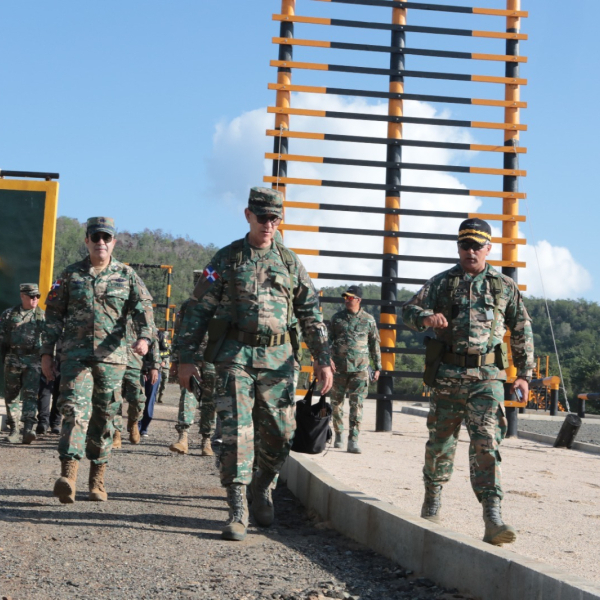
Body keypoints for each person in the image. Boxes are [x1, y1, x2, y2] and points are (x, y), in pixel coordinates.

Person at [178, 187, 333, 542]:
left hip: (279, 361)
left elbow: (311, 314)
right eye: (262, 217)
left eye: (275, 219)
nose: (268, 224)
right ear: (248, 215)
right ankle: (237, 509)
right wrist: (186, 359)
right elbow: (197, 310)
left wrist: (322, 360)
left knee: (280, 434)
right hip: (235, 357)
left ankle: (262, 487)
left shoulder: (290, 263)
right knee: (236, 433)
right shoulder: (227, 259)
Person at [402, 218, 534, 546]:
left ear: (489, 248)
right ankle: (432, 500)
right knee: (440, 442)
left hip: (487, 378)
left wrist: (524, 374)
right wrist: (425, 317)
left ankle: (493, 516)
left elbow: (522, 328)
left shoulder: (503, 286)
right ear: (458, 247)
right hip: (448, 376)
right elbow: (408, 311)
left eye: (476, 245)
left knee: (486, 442)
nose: (470, 251)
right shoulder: (441, 283)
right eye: (465, 245)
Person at [41, 216, 155, 504]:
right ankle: (68, 476)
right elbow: (53, 316)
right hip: (75, 358)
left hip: (112, 360)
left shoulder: (126, 275)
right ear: (87, 241)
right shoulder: (70, 275)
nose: (100, 242)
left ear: (113, 242)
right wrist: (46, 354)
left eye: (106, 237)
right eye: (95, 237)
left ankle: (97, 480)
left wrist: (144, 338)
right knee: (73, 411)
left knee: (104, 417)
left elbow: (144, 308)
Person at [328, 285, 381, 454]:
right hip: (338, 368)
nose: (347, 300)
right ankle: (338, 433)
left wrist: (378, 367)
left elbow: (374, 344)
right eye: (345, 297)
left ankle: (353, 440)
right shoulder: (337, 319)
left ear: (359, 300)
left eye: (350, 297)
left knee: (357, 404)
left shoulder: (368, 320)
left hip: (360, 368)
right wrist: (327, 360)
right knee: (336, 404)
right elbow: (327, 341)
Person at [169, 299, 217, 456]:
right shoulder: (189, 304)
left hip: (214, 358)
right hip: (189, 358)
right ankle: (183, 437)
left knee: (210, 400)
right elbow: (179, 333)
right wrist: (175, 360)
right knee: (187, 394)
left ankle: (206, 440)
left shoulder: (223, 302)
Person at [0, 283, 45, 444]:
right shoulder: (9, 314)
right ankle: (14, 430)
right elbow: (2, 336)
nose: (35, 299)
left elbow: (49, 340)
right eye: (31, 296)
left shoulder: (42, 316)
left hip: (33, 360)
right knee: (11, 396)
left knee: (30, 395)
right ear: (22, 296)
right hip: (13, 358)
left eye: (37, 296)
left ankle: (28, 429)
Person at [138, 336, 161, 436]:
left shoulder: (152, 332)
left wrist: (154, 368)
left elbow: (158, 349)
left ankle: (144, 427)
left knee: (149, 399)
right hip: (133, 369)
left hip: (150, 370)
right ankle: (135, 425)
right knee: (135, 399)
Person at [156, 330, 171, 403]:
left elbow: (168, 353)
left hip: (166, 366)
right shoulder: (158, 344)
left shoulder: (168, 345)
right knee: (157, 382)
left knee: (164, 383)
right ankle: (154, 396)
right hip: (159, 365)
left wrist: (164, 361)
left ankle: (161, 397)